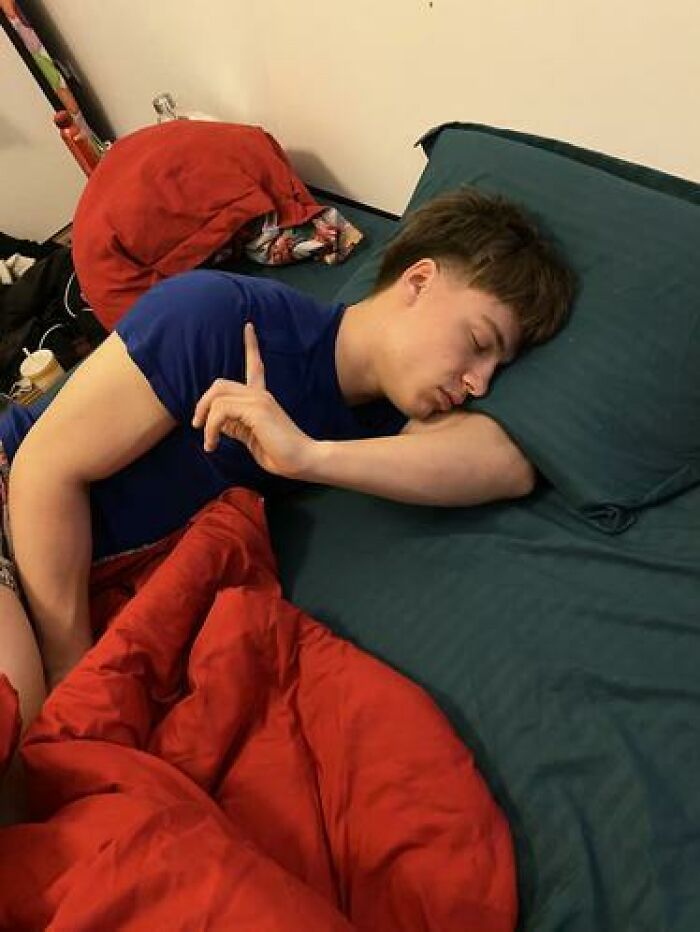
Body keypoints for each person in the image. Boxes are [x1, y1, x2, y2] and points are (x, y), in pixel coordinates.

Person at [0, 186, 574, 734]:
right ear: (419, 280)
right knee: (19, 730)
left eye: (496, 369)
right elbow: (41, 469)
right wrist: (67, 673)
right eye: (477, 342)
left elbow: (505, 464)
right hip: (11, 492)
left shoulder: (383, 420)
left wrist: (309, 456)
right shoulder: (220, 316)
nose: (478, 382)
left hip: (73, 571)